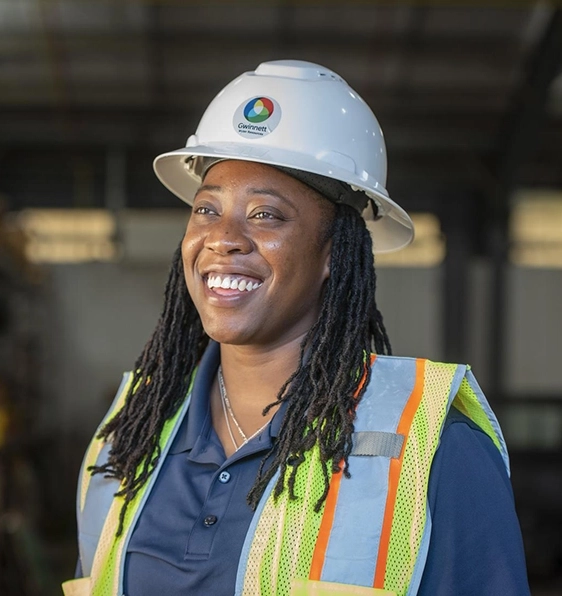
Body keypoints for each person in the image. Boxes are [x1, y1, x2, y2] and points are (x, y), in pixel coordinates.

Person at [63, 60, 530, 596]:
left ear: (334, 252)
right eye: (206, 210)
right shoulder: (128, 436)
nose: (224, 238)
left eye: (266, 215)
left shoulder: (437, 450)